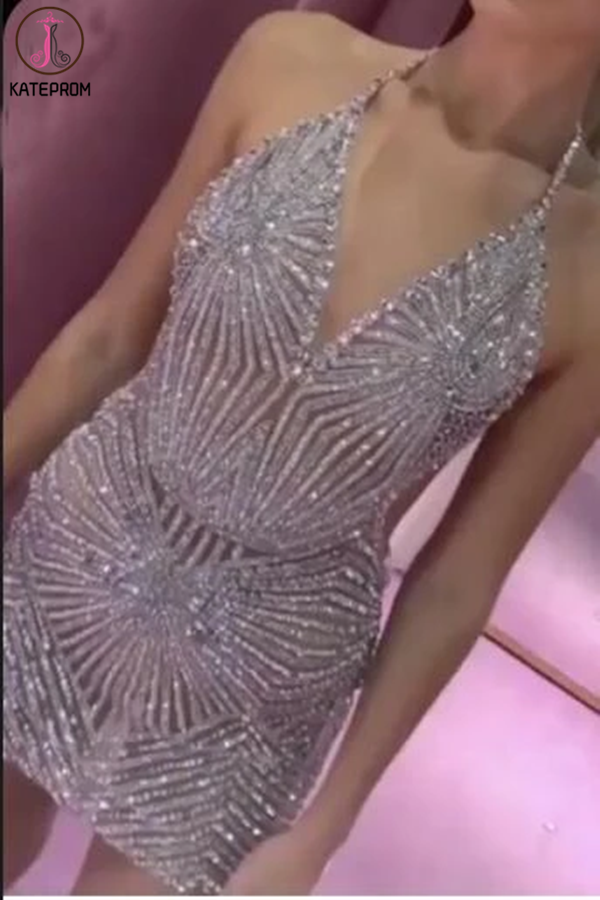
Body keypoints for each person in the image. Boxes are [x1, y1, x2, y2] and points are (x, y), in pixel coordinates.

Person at [3, 0, 599, 895]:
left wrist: (325, 826)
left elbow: (458, 579)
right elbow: (108, 337)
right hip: (68, 563)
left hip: (259, 691)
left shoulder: (587, 267)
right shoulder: (289, 59)